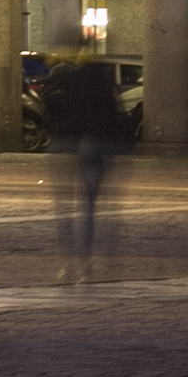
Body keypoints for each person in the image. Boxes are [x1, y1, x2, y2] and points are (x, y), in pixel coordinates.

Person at [37, 48, 134, 284]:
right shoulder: (101, 83)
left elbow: (52, 109)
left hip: (66, 144)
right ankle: (88, 264)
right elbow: (113, 116)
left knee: (64, 210)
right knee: (89, 206)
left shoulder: (66, 82)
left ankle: (67, 264)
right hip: (96, 145)